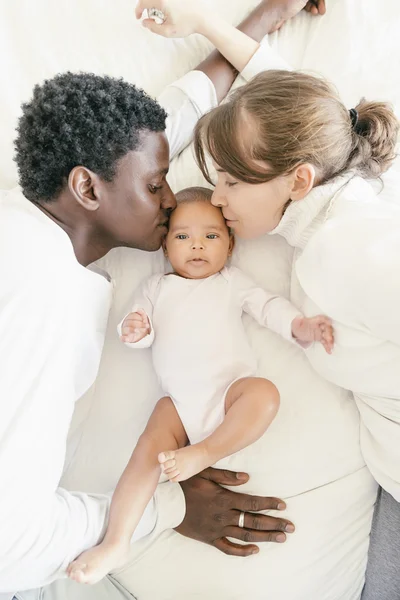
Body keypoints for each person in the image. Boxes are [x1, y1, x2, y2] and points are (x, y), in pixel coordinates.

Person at [0, 1, 325, 598]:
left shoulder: (29, 222)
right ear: (85, 187)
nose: (176, 200)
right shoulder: (41, 299)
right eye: (157, 187)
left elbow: (166, 121)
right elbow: (9, 547)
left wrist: (261, 20)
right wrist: (166, 509)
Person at [192, 63, 400, 600]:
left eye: (232, 181)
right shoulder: (349, 212)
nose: (216, 198)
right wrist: (212, 23)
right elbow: (294, 116)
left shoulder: (345, 249)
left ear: (300, 180)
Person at [67, 187, 333, 584]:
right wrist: (135, 328)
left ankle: (204, 452)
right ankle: (116, 541)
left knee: (264, 393)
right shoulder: (156, 288)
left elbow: (267, 306)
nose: (197, 245)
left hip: (230, 391)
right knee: (144, 456)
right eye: (182, 236)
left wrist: (300, 326)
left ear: (229, 246)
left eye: (211, 236)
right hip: (177, 404)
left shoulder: (231, 282)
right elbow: (138, 329)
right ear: (164, 248)